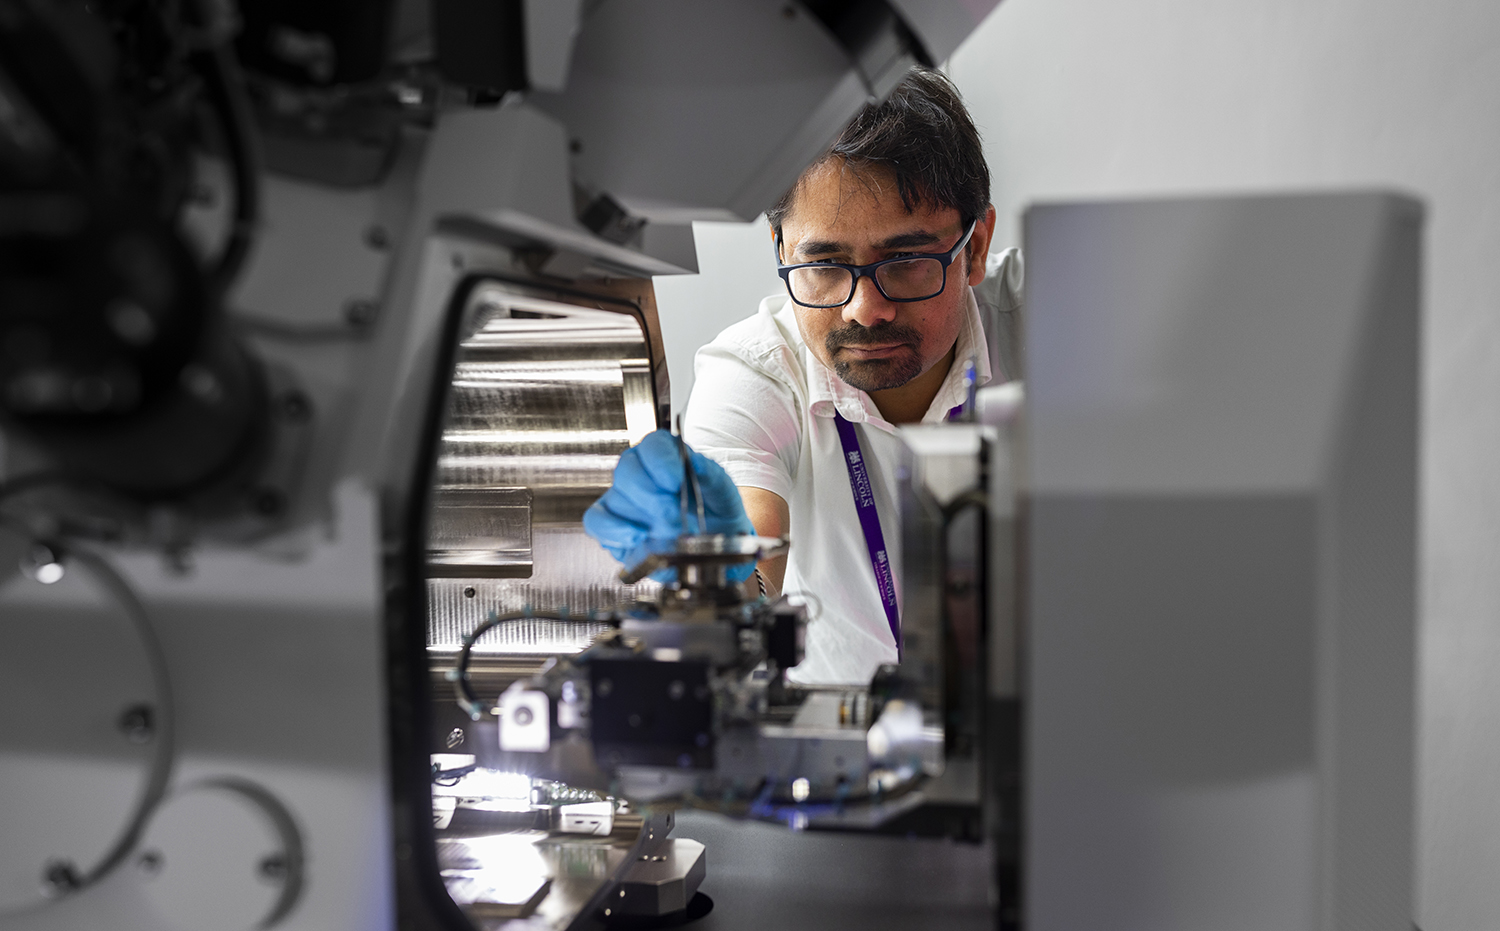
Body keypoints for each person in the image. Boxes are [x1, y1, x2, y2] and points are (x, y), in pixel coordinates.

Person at [585, 69, 1020, 685]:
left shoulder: (1060, 320)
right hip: (853, 755)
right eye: (825, 265)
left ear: (974, 249)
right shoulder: (753, 371)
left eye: (905, 261)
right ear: (780, 248)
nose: (864, 310)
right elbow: (750, 562)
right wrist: (723, 570)